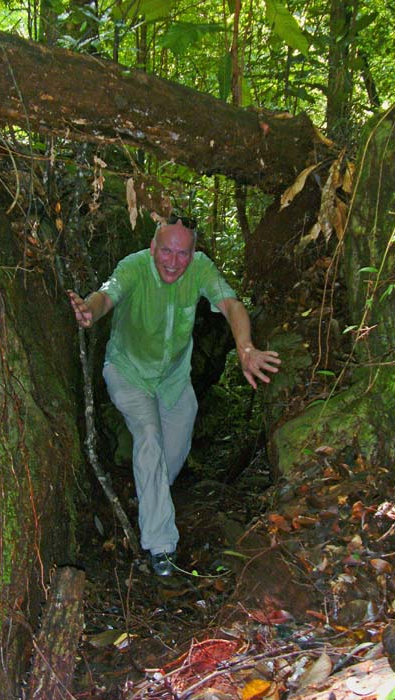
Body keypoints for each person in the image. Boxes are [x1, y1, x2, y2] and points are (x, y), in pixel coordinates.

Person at [68, 215, 280, 576]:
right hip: (128, 371)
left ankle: (148, 500)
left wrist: (245, 348)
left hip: (174, 381)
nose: (173, 261)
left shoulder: (199, 270)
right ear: (153, 247)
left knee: (173, 451)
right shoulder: (134, 267)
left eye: (183, 253)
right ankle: (161, 547)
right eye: (166, 250)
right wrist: (89, 310)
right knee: (148, 436)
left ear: (193, 252)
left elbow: (230, 304)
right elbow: (108, 294)